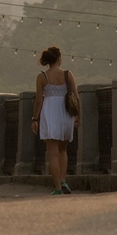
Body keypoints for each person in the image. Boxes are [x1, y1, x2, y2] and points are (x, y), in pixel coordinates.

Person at [31, 46, 80, 195]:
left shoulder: (42, 77)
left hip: (50, 112)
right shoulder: (67, 74)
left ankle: (57, 187)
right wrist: (78, 116)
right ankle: (64, 180)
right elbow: (76, 97)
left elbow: (39, 100)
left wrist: (35, 119)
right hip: (66, 113)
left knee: (52, 152)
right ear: (59, 58)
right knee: (63, 149)